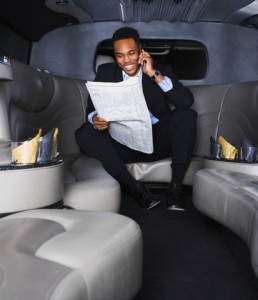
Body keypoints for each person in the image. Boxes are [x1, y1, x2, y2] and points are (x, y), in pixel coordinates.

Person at [75, 27, 197, 211]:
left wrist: (153, 74)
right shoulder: (106, 72)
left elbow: (186, 102)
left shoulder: (160, 70)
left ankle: (175, 189)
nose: (126, 61)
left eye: (131, 53)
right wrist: (96, 119)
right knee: (84, 132)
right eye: (120, 55)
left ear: (141, 50)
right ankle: (136, 189)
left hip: (156, 142)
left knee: (186, 116)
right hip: (122, 143)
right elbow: (91, 109)